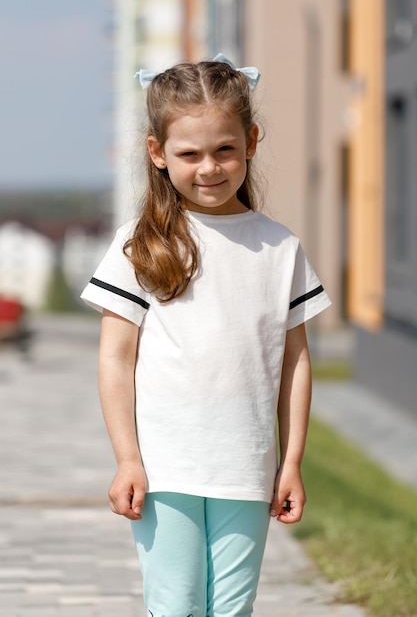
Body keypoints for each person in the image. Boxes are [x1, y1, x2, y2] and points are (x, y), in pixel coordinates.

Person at [81, 53, 331, 617]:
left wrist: (290, 462)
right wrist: (127, 459)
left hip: (247, 464)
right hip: (164, 468)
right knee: (174, 604)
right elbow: (115, 359)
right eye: (189, 154)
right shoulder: (139, 243)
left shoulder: (279, 247)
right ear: (158, 154)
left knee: (232, 608)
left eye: (225, 149)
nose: (209, 168)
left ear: (252, 140)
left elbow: (295, 363)